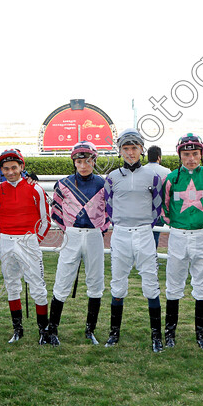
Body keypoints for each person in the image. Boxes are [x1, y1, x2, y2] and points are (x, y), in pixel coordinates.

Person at [103, 130, 165, 351]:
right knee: (118, 282)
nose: (130, 153)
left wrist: (142, 223)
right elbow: (108, 205)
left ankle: (156, 336)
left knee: (150, 282)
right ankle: (114, 333)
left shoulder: (153, 176)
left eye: (134, 148)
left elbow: (157, 206)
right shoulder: (111, 178)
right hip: (120, 233)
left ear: (142, 150)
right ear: (120, 151)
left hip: (144, 233)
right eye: (126, 149)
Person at [161, 134, 203, 352]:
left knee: (202, 284)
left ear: (201, 154)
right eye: (186, 154)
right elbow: (165, 208)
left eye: (195, 154)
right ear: (180, 155)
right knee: (174, 284)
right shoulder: (171, 179)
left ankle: (201, 334)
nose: (191, 159)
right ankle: (170, 333)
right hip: (178, 235)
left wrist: (200, 223)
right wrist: (178, 224)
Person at [47, 141, 108, 346]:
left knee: (95, 282)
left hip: (93, 236)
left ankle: (90, 330)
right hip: (71, 235)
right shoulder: (62, 184)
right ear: (74, 162)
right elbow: (56, 210)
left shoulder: (103, 184)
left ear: (94, 161)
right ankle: (52, 329)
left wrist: (100, 228)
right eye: (79, 161)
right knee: (62, 279)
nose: (83, 165)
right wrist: (70, 228)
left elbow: (110, 211)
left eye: (88, 161)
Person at [0, 148, 51, 345]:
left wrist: (34, 241)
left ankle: (43, 330)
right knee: (12, 285)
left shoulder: (36, 189)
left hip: (29, 240)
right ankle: (17, 329)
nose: (10, 172)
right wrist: (7, 239)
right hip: (7, 241)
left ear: (21, 167)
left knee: (38, 286)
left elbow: (45, 220)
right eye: (6, 168)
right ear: (1, 170)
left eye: (14, 168)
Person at [146, 145, 171, 247]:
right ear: (159, 157)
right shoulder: (167, 171)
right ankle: (153, 258)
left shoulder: (142, 170)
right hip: (159, 208)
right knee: (155, 235)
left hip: (144, 208)